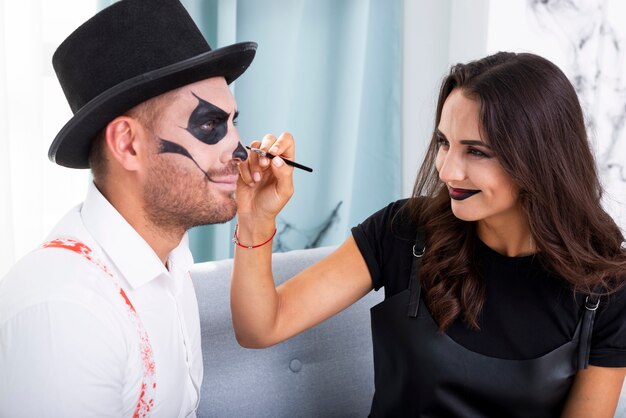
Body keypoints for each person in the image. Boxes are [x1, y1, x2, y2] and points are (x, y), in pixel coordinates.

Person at [231, 51, 626, 417]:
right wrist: (256, 217)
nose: (447, 170)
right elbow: (261, 327)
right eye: (443, 143)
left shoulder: (606, 288)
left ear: (540, 158)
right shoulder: (403, 231)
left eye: (476, 151)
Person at [0, 0, 258, 416]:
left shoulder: (170, 261)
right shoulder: (66, 315)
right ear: (127, 144)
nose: (241, 149)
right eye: (211, 125)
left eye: (233, 122)